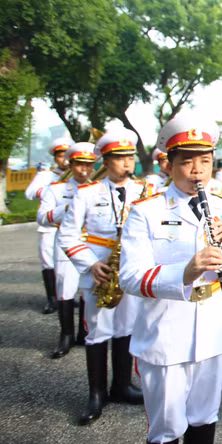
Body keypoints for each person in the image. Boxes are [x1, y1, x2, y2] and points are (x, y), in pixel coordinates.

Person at [120, 112, 222, 444]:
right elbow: (130, 277)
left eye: (205, 161)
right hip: (165, 332)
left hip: (214, 330)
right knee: (166, 427)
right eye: (187, 162)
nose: (197, 171)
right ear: (169, 165)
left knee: (205, 417)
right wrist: (185, 272)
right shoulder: (146, 211)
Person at [57, 128, 146, 425]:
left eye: (130, 157)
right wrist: (91, 264)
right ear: (105, 162)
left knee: (126, 328)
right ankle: (96, 394)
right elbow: (67, 235)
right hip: (100, 272)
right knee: (97, 331)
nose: (127, 163)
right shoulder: (87, 193)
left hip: (130, 271)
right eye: (120, 158)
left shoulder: (145, 192)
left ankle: (121, 386)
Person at [36, 142, 96, 359]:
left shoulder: (99, 189)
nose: (84, 170)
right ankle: (66, 335)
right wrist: (68, 208)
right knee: (65, 290)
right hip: (66, 244)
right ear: (71, 165)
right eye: (79, 164)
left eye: (88, 165)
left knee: (89, 290)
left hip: (93, 243)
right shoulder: (57, 189)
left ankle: (84, 332)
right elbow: (42, 217)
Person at [26, 137, 71, 314]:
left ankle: (66, 297)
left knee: (69, 263)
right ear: (55, 158)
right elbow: (30, 193)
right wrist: (53, 189)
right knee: (49, 262)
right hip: (50, 226)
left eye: (67, 156)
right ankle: (52, 299)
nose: (64, 160)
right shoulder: (46, 175)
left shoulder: (78, 176)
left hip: (70, 226)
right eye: (60, 156)